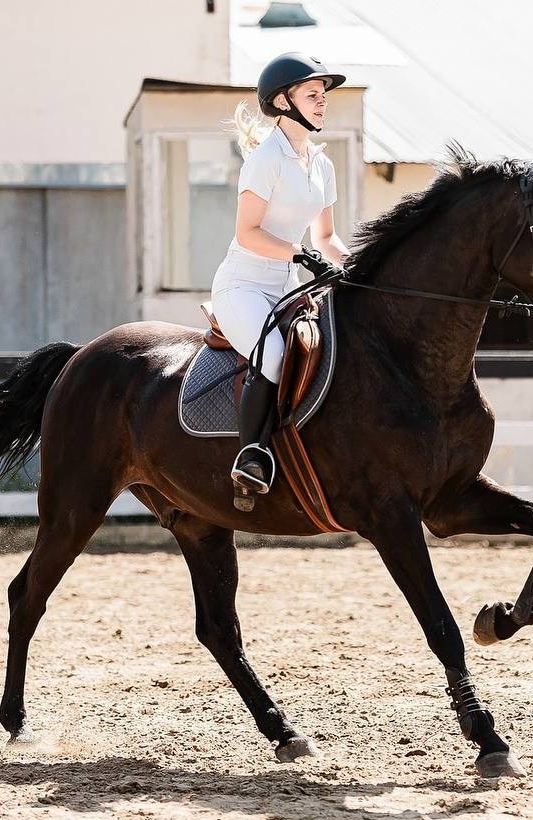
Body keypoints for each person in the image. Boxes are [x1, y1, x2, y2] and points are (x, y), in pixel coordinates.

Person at [212, 52, 351, 506]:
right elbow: (247, 233)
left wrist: (355, 268)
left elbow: (326, 238)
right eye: (312, 93)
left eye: (323, 94)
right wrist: (301, 253)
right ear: (283, 100)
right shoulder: (265, 159)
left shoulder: (322, 166)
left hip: (287, 286)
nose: (322, 101)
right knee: (274, 354)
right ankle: (250, 456)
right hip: (243, 285)